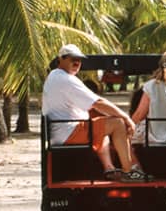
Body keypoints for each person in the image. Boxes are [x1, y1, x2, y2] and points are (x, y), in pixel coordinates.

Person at [41, 44, 149, 181]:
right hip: (69, 132)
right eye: (72, 59)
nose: (77, 62)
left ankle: (109, 168)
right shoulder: (67, 79)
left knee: (102, 122)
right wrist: (126, 117)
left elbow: (93, 106)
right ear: (60, 60)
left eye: (79, 60)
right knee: (118, 124)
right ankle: (130, 171)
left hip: (63, 131)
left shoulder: (55, 76)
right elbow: (98, 103)